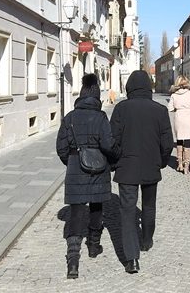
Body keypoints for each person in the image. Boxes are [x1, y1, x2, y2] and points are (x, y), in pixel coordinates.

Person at [55, 73, 120, 279]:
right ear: (96, 97)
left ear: (81, 95)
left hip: (75, 168)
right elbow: (108, 145)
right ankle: (93, 246)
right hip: (98, 168)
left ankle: (73, 260)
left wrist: (73, 161)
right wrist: (112, 159)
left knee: (75, 213)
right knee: (97, 207)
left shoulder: (70, 117)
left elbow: (61, 147)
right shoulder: (101, 117)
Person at [110, 70, 173, 274]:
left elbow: (113, 140)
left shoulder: (121, 109)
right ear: (148, 87)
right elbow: (167, 144)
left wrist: (117, 160)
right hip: (151, 165)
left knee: (127, 212)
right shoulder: (160, 110)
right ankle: (146, 240)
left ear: (129, 87)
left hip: (127, 167)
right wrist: (161, 162)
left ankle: (131, 258)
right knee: (149, 206)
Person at [167, 75, 190, 173]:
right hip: (189, 118)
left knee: (179, 141)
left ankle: (179, 164)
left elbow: (170, 108)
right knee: (187, 142)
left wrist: (178, 108)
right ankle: (186, 166)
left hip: (179, 118)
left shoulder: (174, 94)